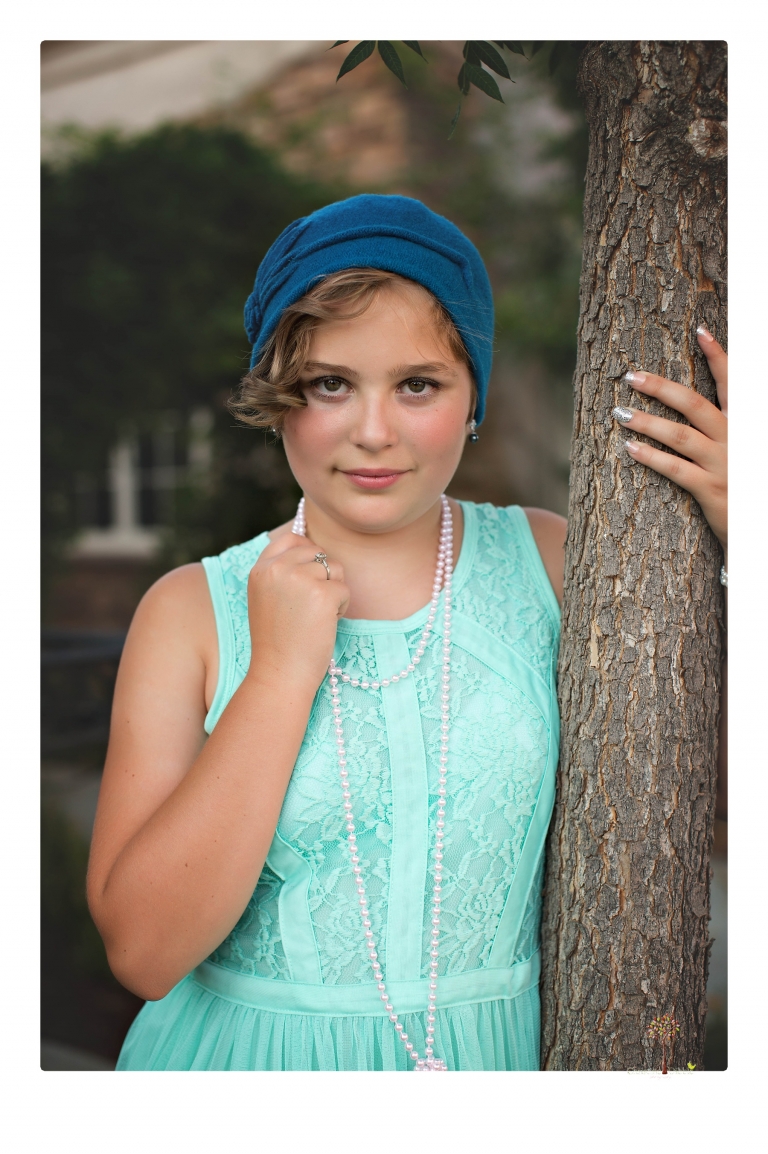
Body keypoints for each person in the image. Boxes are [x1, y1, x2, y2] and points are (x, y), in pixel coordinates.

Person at [86, 194, 727, 1071]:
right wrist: (276, 676)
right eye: (330, 384)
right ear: (281, 396)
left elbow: (709, 790)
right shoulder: (190, 609)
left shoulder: (553, 562)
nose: (374, 432)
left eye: (417, 384)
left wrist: (742, 532)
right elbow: (145, 953)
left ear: (473, 399)